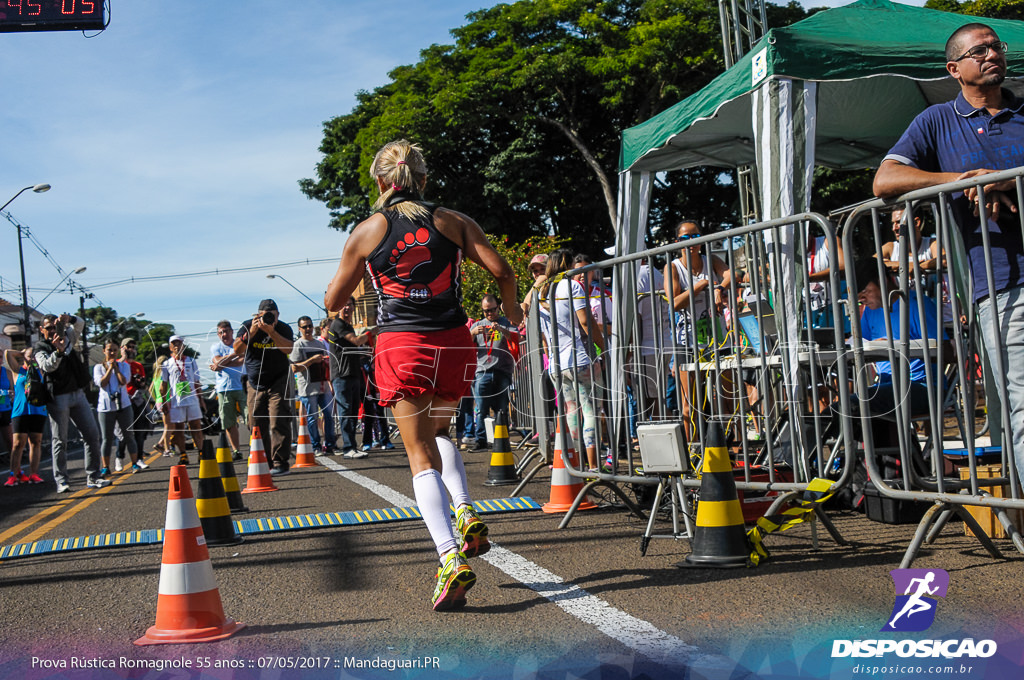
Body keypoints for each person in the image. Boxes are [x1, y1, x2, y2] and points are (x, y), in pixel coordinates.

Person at [324, 139, 522, 611]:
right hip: (453, 341)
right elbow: (502, 270)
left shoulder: (367, 230)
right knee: (441, 431)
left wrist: (348, 305)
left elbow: (334, 300)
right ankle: (466, 507)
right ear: (424, 179)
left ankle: (450, 557)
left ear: (379, 181)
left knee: (418, 454)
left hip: (402, 342)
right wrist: (511, 311)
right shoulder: (453, 221)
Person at [873, 22, 1024, 488]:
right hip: (1001, 285)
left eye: (996, 46)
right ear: (954, 68)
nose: (993, 53)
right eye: (979, 50)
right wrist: (963, 180)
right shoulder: (936, 121)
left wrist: (1004, 178)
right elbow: (885, 182)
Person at [663, 221, 732, 442]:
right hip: (688, 340)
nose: (690, 242)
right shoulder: (673, 267)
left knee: (726, 395)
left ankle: (731, 448)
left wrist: (719, 289)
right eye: (685, 238)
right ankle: (693, 450)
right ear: (677, 243)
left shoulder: (710, 259)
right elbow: (674, 302)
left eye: (695, 237)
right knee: (689, 400)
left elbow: (731, 275)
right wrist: (703, 284)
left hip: (717, 338)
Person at [538, 248, 605, 471]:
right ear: (568, 265)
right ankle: (594, 466)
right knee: (591, 411)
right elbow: (586, 322)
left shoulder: (542, 292)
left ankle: (576, 465)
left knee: (571, 413)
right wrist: (605, 346)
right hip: (579, 358)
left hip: (557, 363)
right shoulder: (572, 286)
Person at [34, 313, 108, 492]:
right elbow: (46, 366)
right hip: (58, 397)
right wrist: (58, 352)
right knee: (60, 440)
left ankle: (94, 476)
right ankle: (61, 480)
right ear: (41, 330)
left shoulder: (67, 338)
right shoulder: (40, 347)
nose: (53, 331)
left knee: (92, 435)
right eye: (49, 328)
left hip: (77, 393)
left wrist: (69, 319)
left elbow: (80, 325)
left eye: (55, 326)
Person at [233, 299, 294, 475]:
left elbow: (288, 349)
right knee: (255, 423)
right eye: (265, 316)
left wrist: (271, 331)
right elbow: (237, 350)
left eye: (273, 316)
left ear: (278, 315)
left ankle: (280, 462)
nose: (269, 319)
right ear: (257, 315)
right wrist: (252, 331)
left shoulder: (283, 328)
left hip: (279, 379)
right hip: (255, 381)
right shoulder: (247, 326)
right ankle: (264, 461)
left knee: (278, 420)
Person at [468, 294, 517, 453]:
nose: (489, 314)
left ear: (498, 307)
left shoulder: (506, 322)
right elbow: (463, 343)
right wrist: (473, 333)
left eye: (492, 310)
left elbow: (517, 338)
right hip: (483, 372)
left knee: (501, 409)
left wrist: (502, 329)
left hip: (503, 371)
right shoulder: (478, 325)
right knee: (481, 409)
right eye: (486, 311)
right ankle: (480, 440)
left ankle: (502, 440)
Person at [327, 300, 373, 458]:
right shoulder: (338, 324)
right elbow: (356, 341)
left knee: (353, 411)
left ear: (354, 307)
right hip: (341, 375)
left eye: (349, 304)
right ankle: (348, 448)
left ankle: (352, 446)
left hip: (353, 373)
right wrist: (372, 332)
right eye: (343, 304)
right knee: (346, 411)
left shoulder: (348, 326)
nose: (346, 307)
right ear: (338, 309)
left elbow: (352, 349)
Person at [94, 340, 148, 475]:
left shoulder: (124, 366)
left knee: (129, 435)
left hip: (124, 405)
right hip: (106, 407)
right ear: (104, 351)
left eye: (114, 350)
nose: (112, 353)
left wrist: (116, 368)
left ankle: (135, 463)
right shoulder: (98, 367)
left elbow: (124, 381)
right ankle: (106, 466)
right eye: (109, 350)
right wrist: (109, 368)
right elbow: (102, 383)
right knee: (107, 438)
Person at [291, 315, 336, 454]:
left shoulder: (319, 344)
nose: (308, 329)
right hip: (308, 388)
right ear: (299, 329)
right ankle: (315, 446)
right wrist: (311, 361)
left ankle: (329, 445)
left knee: (329, 415)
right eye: (305, 327)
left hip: (322, 385)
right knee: (312, 418)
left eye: (310, 326)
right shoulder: (298, 344)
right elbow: (294, 368)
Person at [2, 348, 46, 486]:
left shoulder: (42, 371)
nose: (32, 358)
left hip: (38, 410)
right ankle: (13, 475)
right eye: (30, 356)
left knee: (35, 442)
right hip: (20, 411)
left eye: (34, 356)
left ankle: (34, 474)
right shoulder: (18, 371)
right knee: (17, 443)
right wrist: (23, 353)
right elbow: (8, 353)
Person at [160, 336, 205, 466]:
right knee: (179, 428)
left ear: (183, 346)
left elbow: (196, 382)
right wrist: (164, 401)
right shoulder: (167, 364)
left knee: (196, 425)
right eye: (174, 344)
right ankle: (183, 454)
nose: (177, 346)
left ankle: (201, 451)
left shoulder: (191, 361)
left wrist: (201, 399)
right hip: (176, 401)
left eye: (179, 343)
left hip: (192, 399)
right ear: (170, 347)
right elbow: (163, 385)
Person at [209, 320, 248, 460]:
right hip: (224, 388)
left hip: (242, 385)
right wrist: (233, 355)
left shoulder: (239, 344)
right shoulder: (215, 347)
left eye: (226, 331)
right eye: (221, 332)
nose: (224, 334)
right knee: (229, 422)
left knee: (250, 418)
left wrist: (222, 363)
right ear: (218, 334)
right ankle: (236, 450)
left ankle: (257, 446)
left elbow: (242, 360)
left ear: (232, 331)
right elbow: (217, 363)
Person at [115, 337, 150, 469]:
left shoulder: (138, 366)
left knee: (139, 432)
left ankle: (139, 458)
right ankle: (119, 457)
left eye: (133, 347)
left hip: (137, 401)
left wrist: (141, 383)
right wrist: (123, 358)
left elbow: (143, 384)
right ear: (122, 348)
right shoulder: (117, 363)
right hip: (123, 401)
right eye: (128, 346)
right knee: (123, 433)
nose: (131, 349)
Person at [149, 355, 173, 455]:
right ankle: (166, 448)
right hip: (166, 400)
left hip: (159, 401)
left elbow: (150, 390)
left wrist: (156, 400)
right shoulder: (166, 375)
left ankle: (162, 444)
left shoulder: (155, 376)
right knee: (168, 426)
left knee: (171, 425)